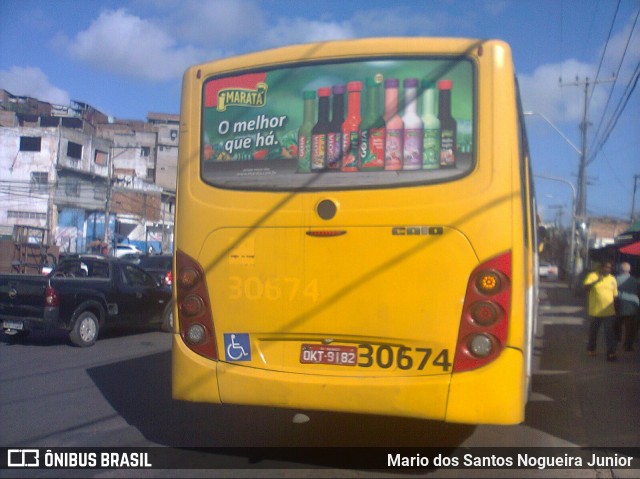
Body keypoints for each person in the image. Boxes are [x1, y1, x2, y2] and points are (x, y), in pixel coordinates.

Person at [583, 261, 619, 361]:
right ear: (602, 268)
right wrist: (597, 281)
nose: (608, 270)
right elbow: (585, 287)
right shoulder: (592, 275)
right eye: (606, 267)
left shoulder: (612, 279)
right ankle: (591, 349)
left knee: (609, 333)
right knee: (593, 332)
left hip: (609, 312)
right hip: (595, 311)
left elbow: (615, 295)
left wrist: (616, 309)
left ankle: (611, 353)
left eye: (610, 268)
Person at [614, 262, 639, 352]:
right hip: (634, 305)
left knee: (617, 324)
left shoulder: (616, 279)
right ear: (629, 270)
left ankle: (616, 340)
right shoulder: (635, 280)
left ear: (621, 270)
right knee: (630, 328)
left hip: (620, 304)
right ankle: (627, 346)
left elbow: (613, 292)